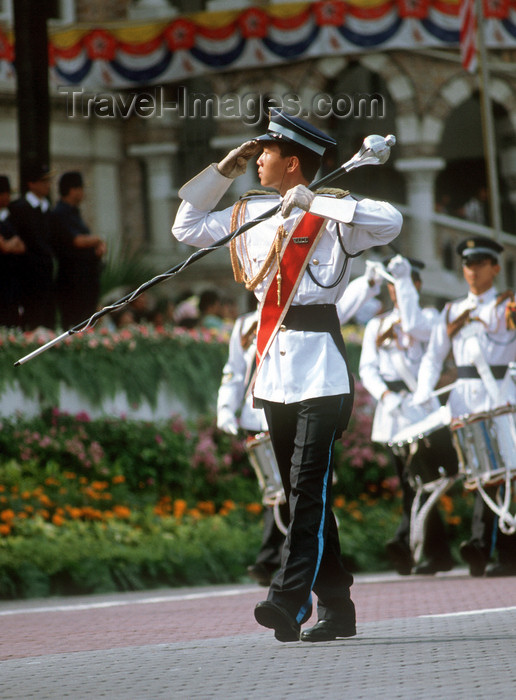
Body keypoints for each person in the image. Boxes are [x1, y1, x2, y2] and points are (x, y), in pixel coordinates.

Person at [172, 108, 402, 642]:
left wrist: (314, 201)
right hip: (274, 372)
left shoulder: (334, 212)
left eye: (266, 153)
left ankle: (287, 598)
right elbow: (184, 227)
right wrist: (222, 172)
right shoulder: (248, 210)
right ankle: (338, 608)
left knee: (306, 489)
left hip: (322, 371)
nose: (258, 159)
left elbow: (391, 221)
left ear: (293, 162)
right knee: (303, 493)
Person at [218, 272, 382, 589]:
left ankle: (286, 584)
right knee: (285, 494)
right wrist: (226, 408)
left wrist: (369, 283)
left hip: (311, 396)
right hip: (261, 412)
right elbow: (234, 371)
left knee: (303, 494)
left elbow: (341, 305)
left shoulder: (308, 308)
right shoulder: (245, 326)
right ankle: (333, 602)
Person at [414, 236, 516, 577]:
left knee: (502, 472)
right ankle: (488, 548)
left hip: (500, 395)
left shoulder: (507, 307)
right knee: (477, 471)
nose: (472, 271)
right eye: (468, 264)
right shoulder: (452, 311)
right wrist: (425, 389)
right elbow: (433, 356)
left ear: (495, 268)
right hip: (465, 398)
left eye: (480, 264)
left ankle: (492, 549)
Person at [359, 254, 456, 576]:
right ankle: (431, 550)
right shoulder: (377, 324)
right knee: (409, 480)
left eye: (402, 283)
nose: (395, 290)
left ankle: (410, 542)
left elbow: (417, 330)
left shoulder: (426, 318)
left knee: (425, 478)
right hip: (393, 409)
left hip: (421, 405)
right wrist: (385, 397)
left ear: (416, 285)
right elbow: (367, 368)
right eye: (391, 284)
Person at [51, 171, 107, 329]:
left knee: (88, 320)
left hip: (86, 279)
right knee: (74, 322)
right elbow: (76, 240)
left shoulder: (74, 212)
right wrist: (98, 239)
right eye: (81, 188)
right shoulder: (60, 213)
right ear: (72, 190)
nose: (83, 192)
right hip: (72, 281)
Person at [9, 164, 56, 330]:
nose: (47, 185)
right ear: (31, 183)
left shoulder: (47, 208)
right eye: (43, 181)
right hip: (26, 274)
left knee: (46, 317)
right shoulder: (18, 208)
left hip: (45, 273)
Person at [0, 175, 25, 327]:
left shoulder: (8, 219)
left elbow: (21, 247)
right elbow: (4, 247)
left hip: (10, 282)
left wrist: (11, 243)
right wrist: (12, 243)